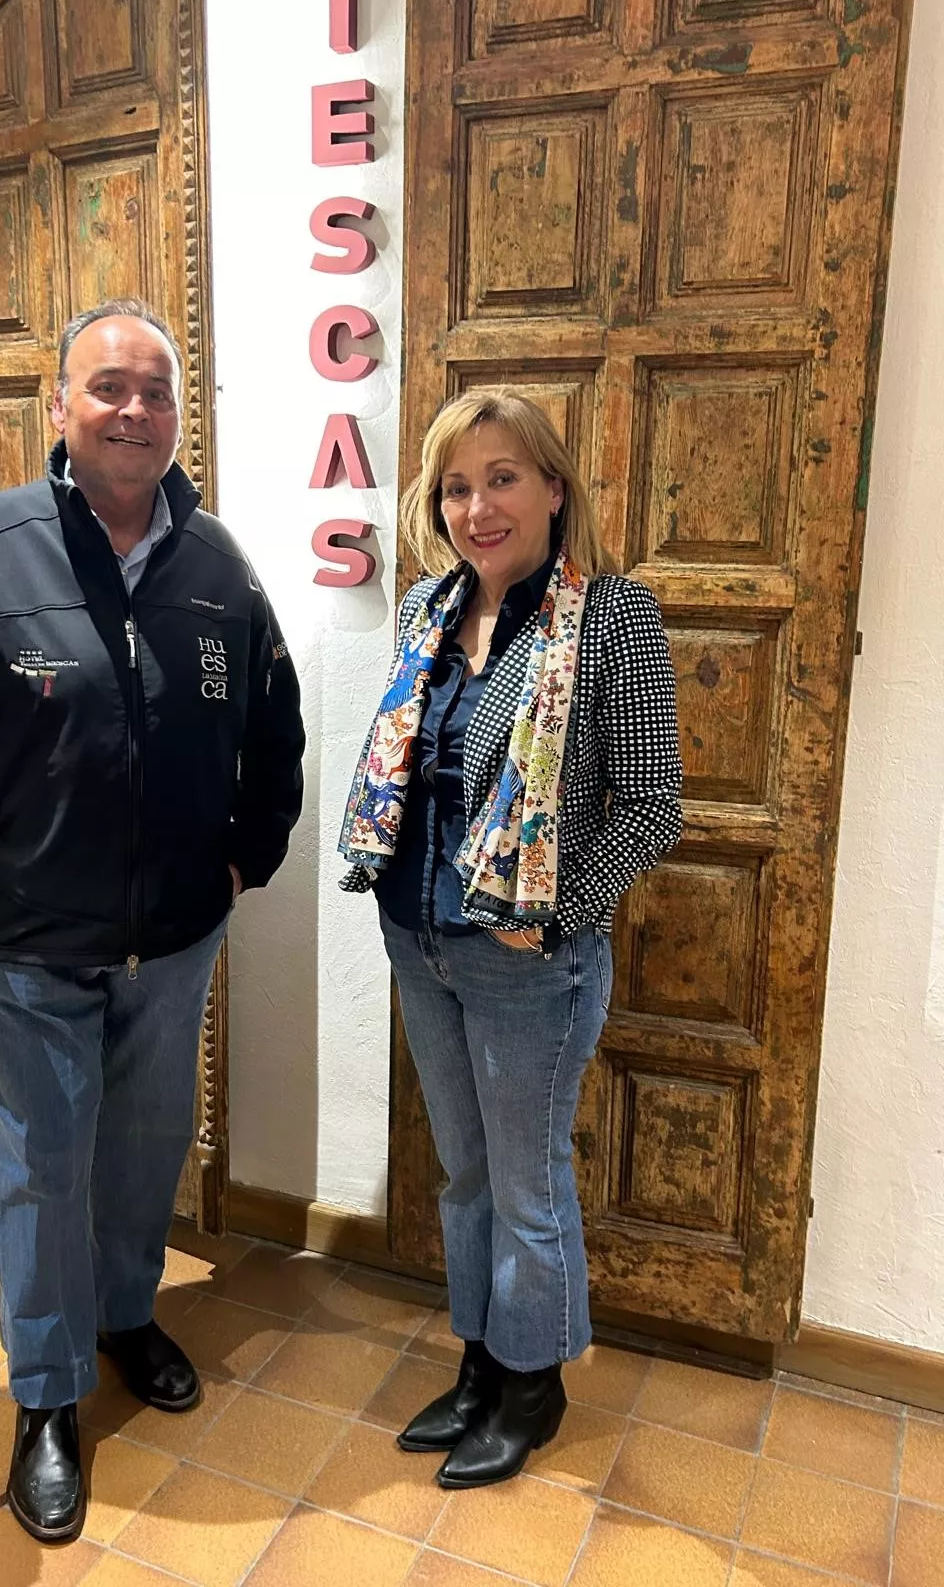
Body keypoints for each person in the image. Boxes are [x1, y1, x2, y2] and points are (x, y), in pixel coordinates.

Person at [0, 299, 305, 1542]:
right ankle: (47, 1397)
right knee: (40, 1173)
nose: (133, 410)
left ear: (178, 418)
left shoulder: (219, 567)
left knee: (146, 1149)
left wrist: (243, 860)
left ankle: (123, 1313)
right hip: (30, 941)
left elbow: (276, 731)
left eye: (156, 392)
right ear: (59, 406)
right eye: (109, 387)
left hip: (175, 939)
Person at [340, 387, 681, 1489]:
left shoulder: (612, 619)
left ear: (553, 490)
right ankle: (482, 1361)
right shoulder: (425, 611)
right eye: (456, 486)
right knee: (466, 1177)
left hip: (529, 962)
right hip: (422, 938)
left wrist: (556, 913)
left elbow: (652, 807)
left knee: (527, 1185)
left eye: (502, 479)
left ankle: (533, 1385)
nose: (477, 507)